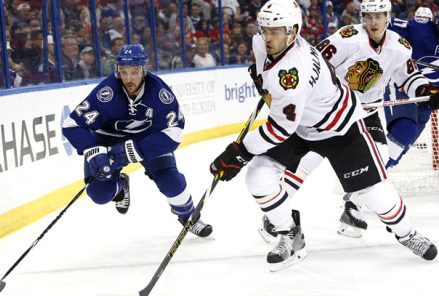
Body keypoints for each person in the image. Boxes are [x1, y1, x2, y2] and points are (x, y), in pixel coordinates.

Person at [210, 0, 437, 271]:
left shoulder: (294, 71)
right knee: (259, 176)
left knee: (375, 190)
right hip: (302, 120)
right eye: (265, 30)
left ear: (293, 31)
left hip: (341, 125)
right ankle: (288, 234)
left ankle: (406, 233)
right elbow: (277, 80)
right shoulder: (344, 38)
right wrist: (262, 79)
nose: (268, 37)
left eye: (276, 31)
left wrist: (239, 151)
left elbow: (281, 124)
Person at [270, 0, 439, 240]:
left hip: (365, 112)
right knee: (312, 158)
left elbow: (409, 76)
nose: (373, 22)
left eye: (378, 16)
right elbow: (313, 60)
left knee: (381, 154)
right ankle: (276, 212)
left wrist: (424, 93)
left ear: (387, 17)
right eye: (368, 16)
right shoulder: (347, 38)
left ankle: (354, 206)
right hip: (331, 109)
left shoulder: (399, 47)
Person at [62, 44, 213, 238]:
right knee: (99, 194)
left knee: (172, 182)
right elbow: (71, 124)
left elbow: (174, 134)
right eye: (123, 72)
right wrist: (94, 151)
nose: (128, 78)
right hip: (108, 138)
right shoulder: (107, 92)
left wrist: (133, 150)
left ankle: (189, 217)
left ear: (144, 70)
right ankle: (119, 187)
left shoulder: (160, 95)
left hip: (147, 138)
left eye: (134, 72)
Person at [384, 6, 439, 168]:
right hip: (404, 85)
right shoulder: (419, 28)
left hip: (428, 99)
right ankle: (367, 181)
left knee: (402, 147)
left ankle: (378, 175)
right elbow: (383, 22)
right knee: (404, 130)